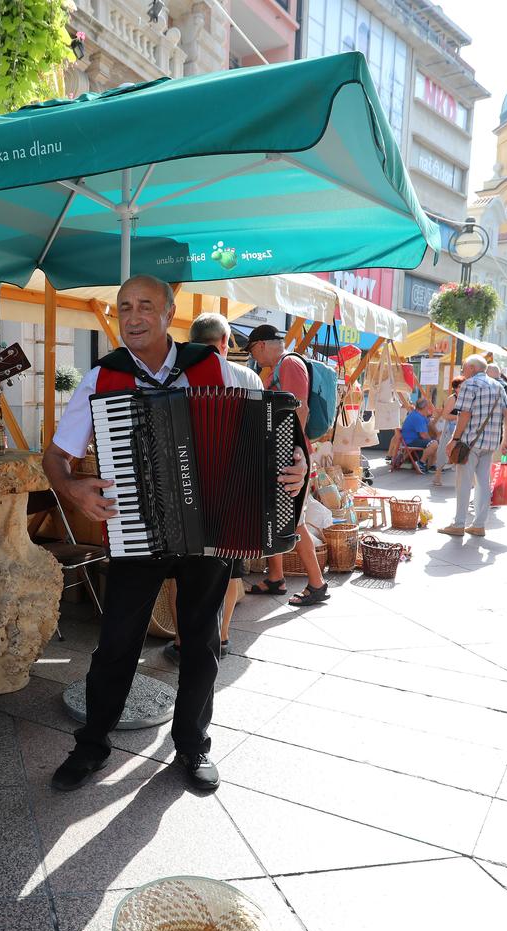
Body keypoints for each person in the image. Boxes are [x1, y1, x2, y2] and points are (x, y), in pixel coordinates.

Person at [42, 275, 306, 795]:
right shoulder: (103, 378)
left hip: (209, 528)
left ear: (169, 314)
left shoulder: (219, 372)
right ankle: (93, 743)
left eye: (144, 306)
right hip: (135, 529)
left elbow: (270, 438)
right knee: (116, 641)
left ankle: (192, 746)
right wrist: (74, 490)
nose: (133, 316)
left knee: (202, 642)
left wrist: (294, 464)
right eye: (124, 307)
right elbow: (56, 457)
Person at [167, 311, 257, 657]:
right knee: (230, 567)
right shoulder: (248, 376)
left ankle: (181, 641)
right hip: (236, 487)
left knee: (180, 571)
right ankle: (220, 638)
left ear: (190, 342)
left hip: (186, 487)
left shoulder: (175, 377)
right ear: (225, 341)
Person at [248, 324, 331, 608]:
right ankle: (276, 577)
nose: (254, 358)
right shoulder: (275, 370)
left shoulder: (290, 363)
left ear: (260, 345)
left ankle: (317, 584)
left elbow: (301, 409)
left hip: (293, 457)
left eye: (252, 351)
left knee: (294, 520)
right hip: (280, 455)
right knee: (275, 516)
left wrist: (293, 451)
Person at [437, 354, 507, 537]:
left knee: (463, 483)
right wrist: (506, 438)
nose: (463, 371)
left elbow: (464, 414)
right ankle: (479, 524)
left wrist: (454, 439)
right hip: (491, 442)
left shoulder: (470, 384)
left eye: (464, 368)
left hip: (470, 442)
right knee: (483, 483)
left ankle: (459, 524)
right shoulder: (498, 385)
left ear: (471, 368)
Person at [431, 377, 462, 488]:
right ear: (455, 388)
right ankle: (437, 476)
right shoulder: (452, 398)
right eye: (459, 386)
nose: (462, 388)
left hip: (463, 428)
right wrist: (459, 417)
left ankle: (467, 481)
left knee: (463, 452)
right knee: (444, 450)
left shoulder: (466, 397)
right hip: (450, 428)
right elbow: (445, 415)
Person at [399, 395, 438, 473]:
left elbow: (430, 424)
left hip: (413, 440)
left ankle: (431, 466)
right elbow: (423, 435)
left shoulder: (418, 414)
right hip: (411, 441)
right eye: (428, 407)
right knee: (434, 443)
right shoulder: (418, 417)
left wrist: (437, 434)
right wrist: (434, 440)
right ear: (425, 407)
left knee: (435, 442)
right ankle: (421, 463)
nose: (429, 408)